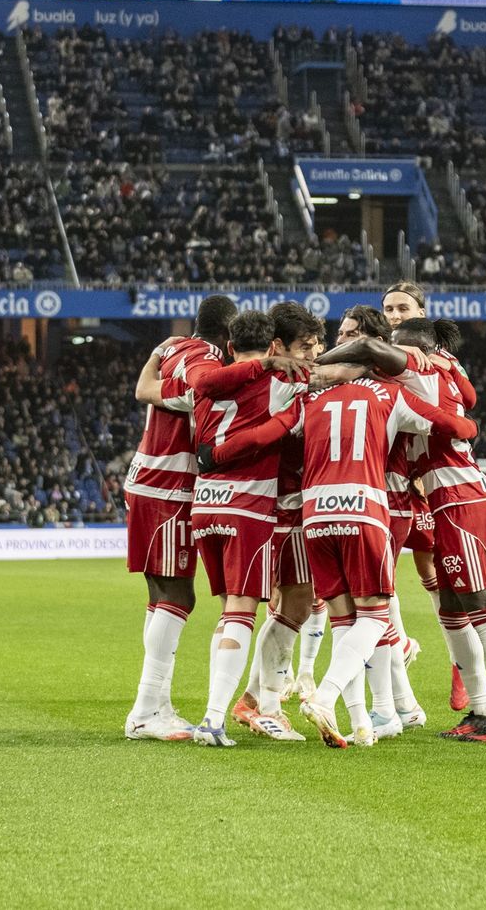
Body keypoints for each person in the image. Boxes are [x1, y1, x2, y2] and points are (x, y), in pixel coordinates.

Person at [318, 318, 486, 743]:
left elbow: (376, 354)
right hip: (443, 497)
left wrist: (315, 362)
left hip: (461, 495)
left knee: (483, 606)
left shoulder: (418, 367)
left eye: (399, 347)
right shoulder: (439, 370)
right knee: (452, 609)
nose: (392, 357)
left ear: (415, 349)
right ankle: (482, 711)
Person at [295, 364, 479, 748]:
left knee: (349, 617)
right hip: (370, 506)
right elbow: (455, 426)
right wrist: (467, 422)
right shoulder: (390, 392)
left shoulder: (310, 393)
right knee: (375, 615)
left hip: (315, 510)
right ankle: (342, 702)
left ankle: (368, 719)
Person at [178, 312, 304, 748]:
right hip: (247, 506)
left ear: (229, 347)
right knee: (241, 610)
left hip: (204, 505)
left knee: (227, 613)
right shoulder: (279, 387)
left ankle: (211, 715)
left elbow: (198, 388)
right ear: (273, 348)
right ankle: (213, 720)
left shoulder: (207, 383)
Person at [119, 294, 237, 741]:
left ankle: (155, 704)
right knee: (177, 596)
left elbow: (151, 384)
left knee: (160, 596)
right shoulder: (202, 357)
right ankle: (146, 711)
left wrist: (154, 366)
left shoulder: (172, 348)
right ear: (227, 337)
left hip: (152, 479)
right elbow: (204, 388)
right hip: (168, 486)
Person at [378, 283, 473, 714]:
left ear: (421, 312)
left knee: (433, 568)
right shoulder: (379, 353)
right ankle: (397, 646)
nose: (394, 314)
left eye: (402, 308)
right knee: (381, 573)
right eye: (388, 308)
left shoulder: (434, 356)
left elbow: (467, 401)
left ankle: (461, 665)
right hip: (391, 478)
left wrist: (443, 363)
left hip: (427, 479)